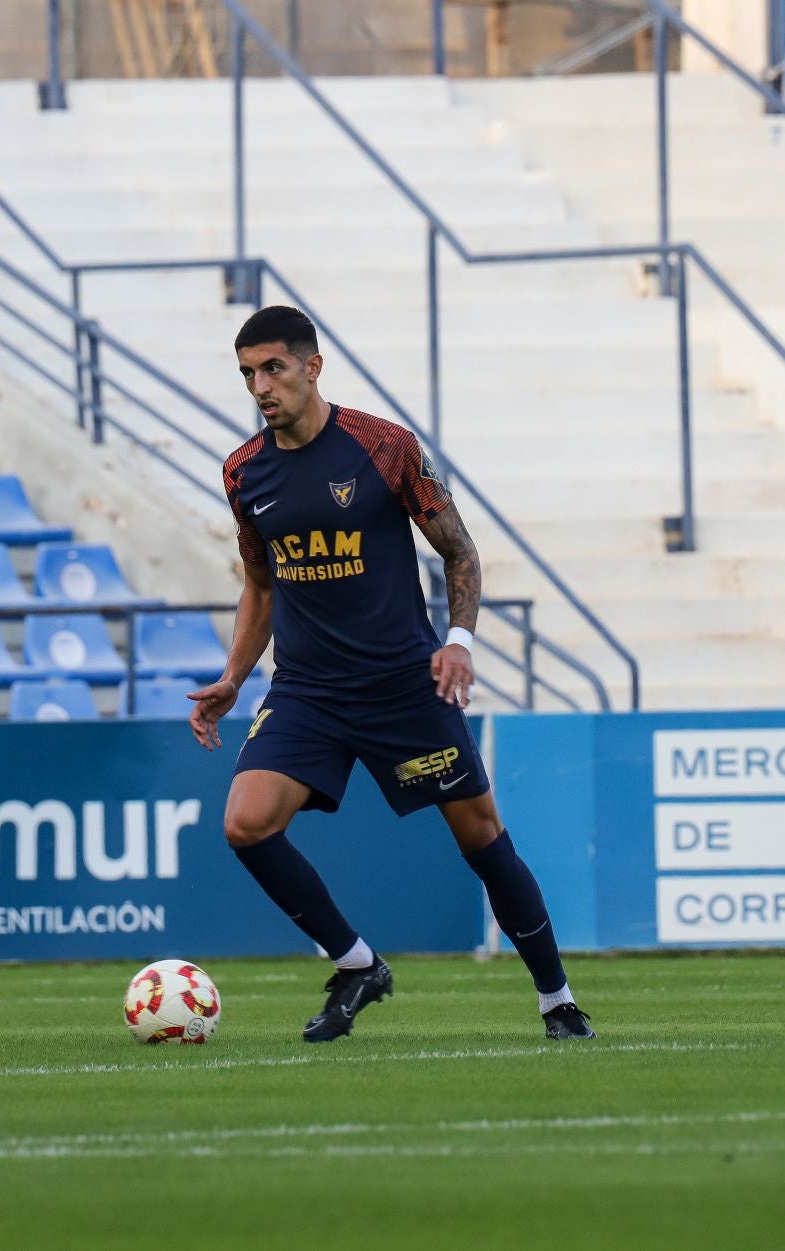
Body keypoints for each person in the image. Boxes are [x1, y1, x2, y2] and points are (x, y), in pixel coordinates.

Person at [189, 305, 591, 1043]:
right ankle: (356, 964)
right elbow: (263, 584)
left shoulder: (384, 447)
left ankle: (557, 999)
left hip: (405, 684)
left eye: (273, 368)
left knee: (482, 839)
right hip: (307, 690)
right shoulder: (244, 471)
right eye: (248, 373)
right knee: (246, 823)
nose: (260, 386)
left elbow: (460, 552)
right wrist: (234, 676)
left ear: (313, 366)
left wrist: (459, 639)